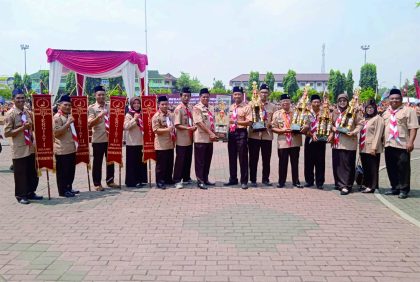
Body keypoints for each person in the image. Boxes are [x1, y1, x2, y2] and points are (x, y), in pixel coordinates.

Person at [4, 88, 41, 204]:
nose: (21, 100)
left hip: (30, 147)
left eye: (22, 98)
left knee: (32, 172)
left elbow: (32, 127)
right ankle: (21, 195)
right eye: (18, 98)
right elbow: (7, 133)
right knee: (21, 173)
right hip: (19, 148)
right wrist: (22, 128)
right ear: (13, 99)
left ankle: (30, 192)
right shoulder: (11, 114)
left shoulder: (26, 112)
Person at [382, 88, 419, 199]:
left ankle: (404, 189)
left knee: (403, 167)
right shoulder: (385, 112)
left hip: (402, 144)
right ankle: (395, 187)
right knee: (391, 167)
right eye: (392, 98)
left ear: (401, 99)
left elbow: (413, 127)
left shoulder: (408, 111)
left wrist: (411, 142)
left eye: (397, 98)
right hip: (389, 144)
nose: (394, 100)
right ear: (389, 99)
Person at [328, 93, 363, 195]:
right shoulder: (334, 112)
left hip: (348, 141)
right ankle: (339, 183)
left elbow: (360, 123)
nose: (342, 102)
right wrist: (333, 128)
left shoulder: (353, 111)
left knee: (348, 164)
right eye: (340, 101)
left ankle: (347, 186)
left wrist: (354, 132)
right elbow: (330, 123)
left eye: (344, 101)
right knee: (337, 164)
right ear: (337, 102)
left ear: (347, 102)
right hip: (336, 142)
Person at [88, 86, 119, 191]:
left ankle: (110, 181)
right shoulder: (92, 108)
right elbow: (90, 124)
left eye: (103, 94)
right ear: (95, 96)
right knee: (97, 162)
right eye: (99, 94)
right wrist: (100, 116)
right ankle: (97, 183)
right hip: (98, 139)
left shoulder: (110, 106)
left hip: (110, 139)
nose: (101, 96)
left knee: (111, 160)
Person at [272, 94, 304, 188]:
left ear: (290, 102)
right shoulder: (277, 114)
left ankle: (296, 181)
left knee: (295, 162)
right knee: (282, 162)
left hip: (295, 141)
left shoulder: (297, 113)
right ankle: (281, 181)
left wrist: (300, 128)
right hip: (283, 141)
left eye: (287, 100)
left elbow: (302, 124)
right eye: (283, 101)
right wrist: (282, 130)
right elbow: (273, 128)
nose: (285, 102)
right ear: (280, 103)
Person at [248, 84, 276, 187]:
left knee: (266, 159)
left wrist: (270, 124)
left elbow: (274, 120)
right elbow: (248, 117)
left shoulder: (272, 106)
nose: (264, 94)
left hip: (267, 136)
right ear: (259, 93)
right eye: (262, 92)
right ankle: (253, 179)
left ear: (269, 93)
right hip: (254, 135)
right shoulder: (251, 104)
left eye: (266, 92)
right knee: (253, 159)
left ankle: (265, 179)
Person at [224, 86, 252, 189]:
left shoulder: (247, 107)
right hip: (231, 133)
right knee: (232, 157)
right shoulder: (230, 107)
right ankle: (233, 179)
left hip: (241, 133)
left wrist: (236, 122)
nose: (237, 96)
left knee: (243, 158)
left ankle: (244, 181)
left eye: (239, 94)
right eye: (235, 94)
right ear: (233, 95)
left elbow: (249, 122)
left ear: (242, 95)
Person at [53, 94, 79, 197]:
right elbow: (56, 132)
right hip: (62, 149)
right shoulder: (57, 118)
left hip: (71, 148)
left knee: (70, 171)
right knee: (62, 172)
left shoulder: (68, 116)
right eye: (65, 105)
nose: (68, 107)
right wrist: (67, 123)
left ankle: (69, 187)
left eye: (69, 105)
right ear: (59, 106)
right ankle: (62, 191)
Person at [193, 88, 217, 189]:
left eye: (207, 97)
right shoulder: (197, 108)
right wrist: (211, 133)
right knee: (200, 161)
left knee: (207, 160)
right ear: (200, 97)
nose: (205, 98)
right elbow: (199, 123)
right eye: (203, 97)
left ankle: (205, 178)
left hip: (209, 139)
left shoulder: (211, 107)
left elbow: (214, 122)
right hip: (201, 138)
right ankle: (200, 181)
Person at [359, 99, 384, 193]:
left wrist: (374, 148)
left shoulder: (378, 118)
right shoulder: (365, 119)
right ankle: (366, 184)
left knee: (373, 168)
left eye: (371, 107)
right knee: (366, 167)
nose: (369, 110)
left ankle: (372, 186)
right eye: (367, 108)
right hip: (363, 147)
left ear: (375, 108)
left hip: (372, 148)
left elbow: (378, 134)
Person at [173, 87, 196, 189]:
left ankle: (186, 178)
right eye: (184, 96)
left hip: (190, 138)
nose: (186, 98)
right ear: (180, 96)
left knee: (188, 159)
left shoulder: (190, 108)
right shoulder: (179, 109)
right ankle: (177, 180)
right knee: (180, 160)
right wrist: (189, 128)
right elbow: (177, 125)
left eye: (188, 96)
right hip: (181, 139)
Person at [303, 94, 327, 189]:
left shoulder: (324, 113)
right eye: (314, 102)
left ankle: (320, 182)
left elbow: (327, 126)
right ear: (311, 103)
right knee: (308, 161)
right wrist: (311, 134)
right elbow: (303, 128)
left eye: (318, 102)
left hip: (321, 140)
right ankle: (309, 181)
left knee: (320, 162)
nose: (316, 104)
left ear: (320, 103)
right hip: (309, 139)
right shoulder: (307, 113)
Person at [124, 96, 147, 188]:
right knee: (132, 163)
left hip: (141, 142)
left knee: (140, 162)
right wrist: (135, 119)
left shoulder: (142, 113)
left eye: (138, 103)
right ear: (131, 104)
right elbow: (126, 126)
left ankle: (141, 180)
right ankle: (131, 181)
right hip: (132, 143)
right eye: (134, 103)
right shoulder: (129, 114)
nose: (136, 105)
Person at [152, 96, 175, 189]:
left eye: (166, 104)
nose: (165, 106)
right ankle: (160, 181)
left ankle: (168, 179)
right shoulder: (156, 116)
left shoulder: (170, 114)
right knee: (161, 165)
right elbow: (155, 130)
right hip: (161, 144)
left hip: (170, 143)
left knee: (170, 163)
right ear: (158, 105)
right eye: (163, 104)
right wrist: (167, 129)